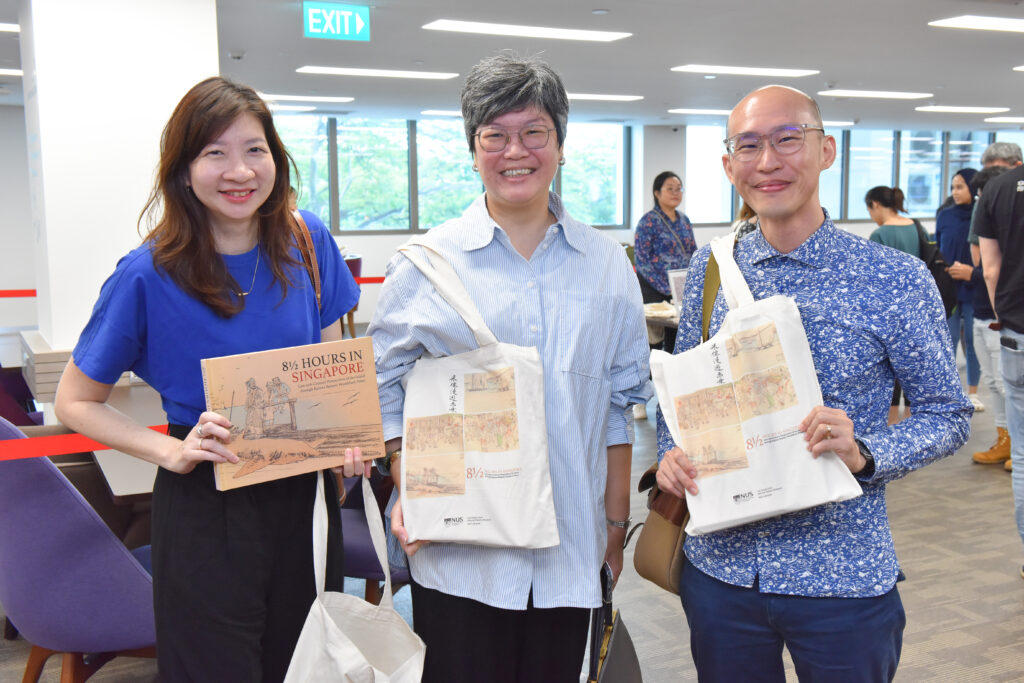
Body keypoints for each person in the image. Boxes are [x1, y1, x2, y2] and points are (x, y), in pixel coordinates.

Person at [655, 85, 971, 681]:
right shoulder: (710, 269)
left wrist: (865, 451)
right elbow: (683, 396)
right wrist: (672, 452)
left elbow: (947, 413)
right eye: (748, 146)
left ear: (826, 151)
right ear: (728, 166)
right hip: (722, 574)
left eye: (786, 140)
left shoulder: (892, 278)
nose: (767, 161)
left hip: (842, 576)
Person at [54, 77, 363, 681]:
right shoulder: (146, 274)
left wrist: (345, 441)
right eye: (214, 152)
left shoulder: (308, 241)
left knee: (303, 666)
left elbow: (331, 370)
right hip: (206, 500)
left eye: (254, 149)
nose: (239, 170)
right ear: (183, 168)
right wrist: (169, 451)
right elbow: (75, 400)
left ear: (275, 157)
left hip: (304, 497)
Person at [368, 55, 651, 683]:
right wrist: (404, 482)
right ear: (473, 149)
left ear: (559, 146)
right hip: (458, 547)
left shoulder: (606, 266)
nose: (514, 151)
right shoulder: (426, 263)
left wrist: (612, 526)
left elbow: (617, 407)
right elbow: (386, 391)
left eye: (534, 133)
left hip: (569, 549)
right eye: (495, 135)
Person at [975, 161, 1024, 578]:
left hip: (1016, 334)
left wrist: (1003, 314)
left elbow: (990, 268)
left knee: (1023, 457)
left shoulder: (997, 188)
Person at [955, 166, 1012, 466]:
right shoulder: (981, 217)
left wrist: (971, 272)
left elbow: (992, 270)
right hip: (979, 311)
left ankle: (1019, 445)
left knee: (1008, 384)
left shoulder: (1007, 219)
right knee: (993, 383)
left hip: (1002, 318)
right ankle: (1004, 440)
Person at [865, 185, 920, 424]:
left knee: (889, 371)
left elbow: (873, 280)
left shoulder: (880, 235)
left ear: (875, 204)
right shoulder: (915, 226)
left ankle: (889, 427)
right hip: (914, 308)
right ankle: (910, 422)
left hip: (887, 312)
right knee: (911, 369)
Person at [634, 170, 697, 353]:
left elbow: (693, 252)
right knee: (654, 342)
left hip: (680, 289)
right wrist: (666, 287)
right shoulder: (648, 221)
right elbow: (642, 261)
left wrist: (690, 282)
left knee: (678, 338)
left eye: (679, 189)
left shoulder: (684, 220)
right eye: (670, 189)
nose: (675, 193)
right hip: (654, 290)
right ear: (657, 193)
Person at [937, 168, 983, 411]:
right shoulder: (945, 215)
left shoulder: (982, 213)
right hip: (950, 288)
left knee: (973, 341)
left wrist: (971, 271)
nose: (955, 192)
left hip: (975, 286)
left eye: (960, 186)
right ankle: (951, 392)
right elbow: (940, 249)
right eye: (953, 187)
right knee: (948, 339)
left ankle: (973, 392)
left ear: (973, 188)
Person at [934, 141, 1023, 216]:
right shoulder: (985, 200)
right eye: (987, 171)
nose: (991, 178)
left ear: (1018, 166)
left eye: (997, 171)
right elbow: (975, 236)